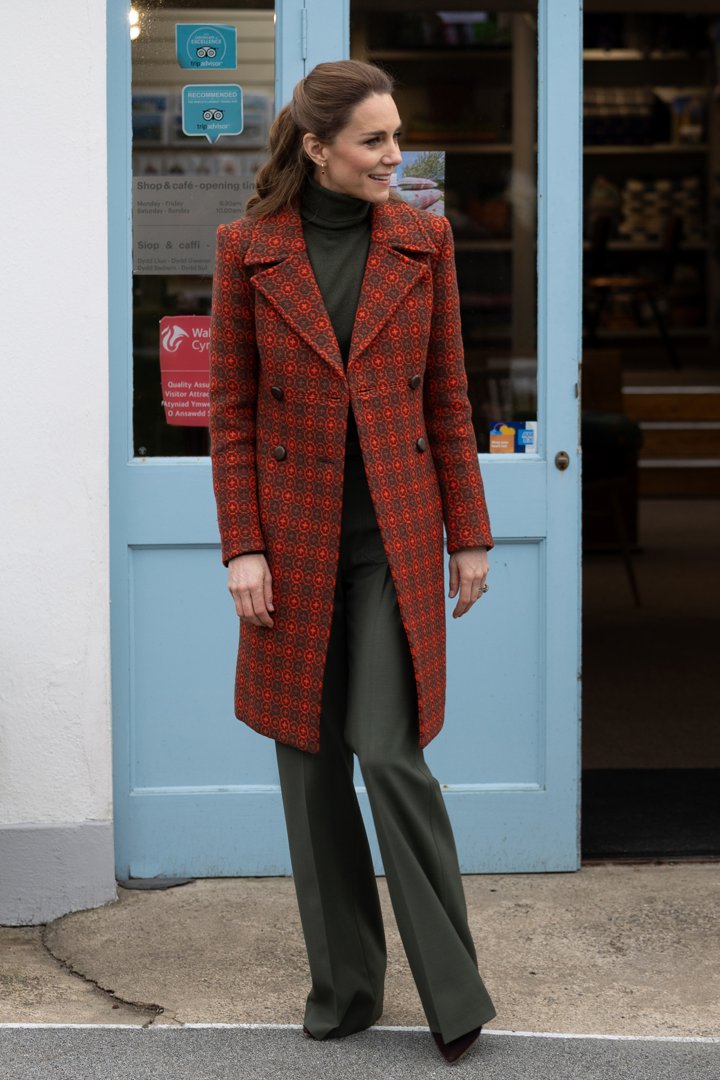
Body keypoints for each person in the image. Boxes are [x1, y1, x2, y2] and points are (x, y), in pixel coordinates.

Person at [209, 58, 496, 1066]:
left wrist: (471, 531)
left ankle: (454, 996)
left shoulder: (425, 240)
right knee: (308, 760)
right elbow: (232, 415)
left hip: (395, 540)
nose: (394, 155)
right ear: (317, 148)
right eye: (374, 139)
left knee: (385, 747)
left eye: (397, 135)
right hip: (290, 543)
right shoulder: (247, 250)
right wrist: (241, 542)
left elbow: (449, 398)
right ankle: (345, 987)